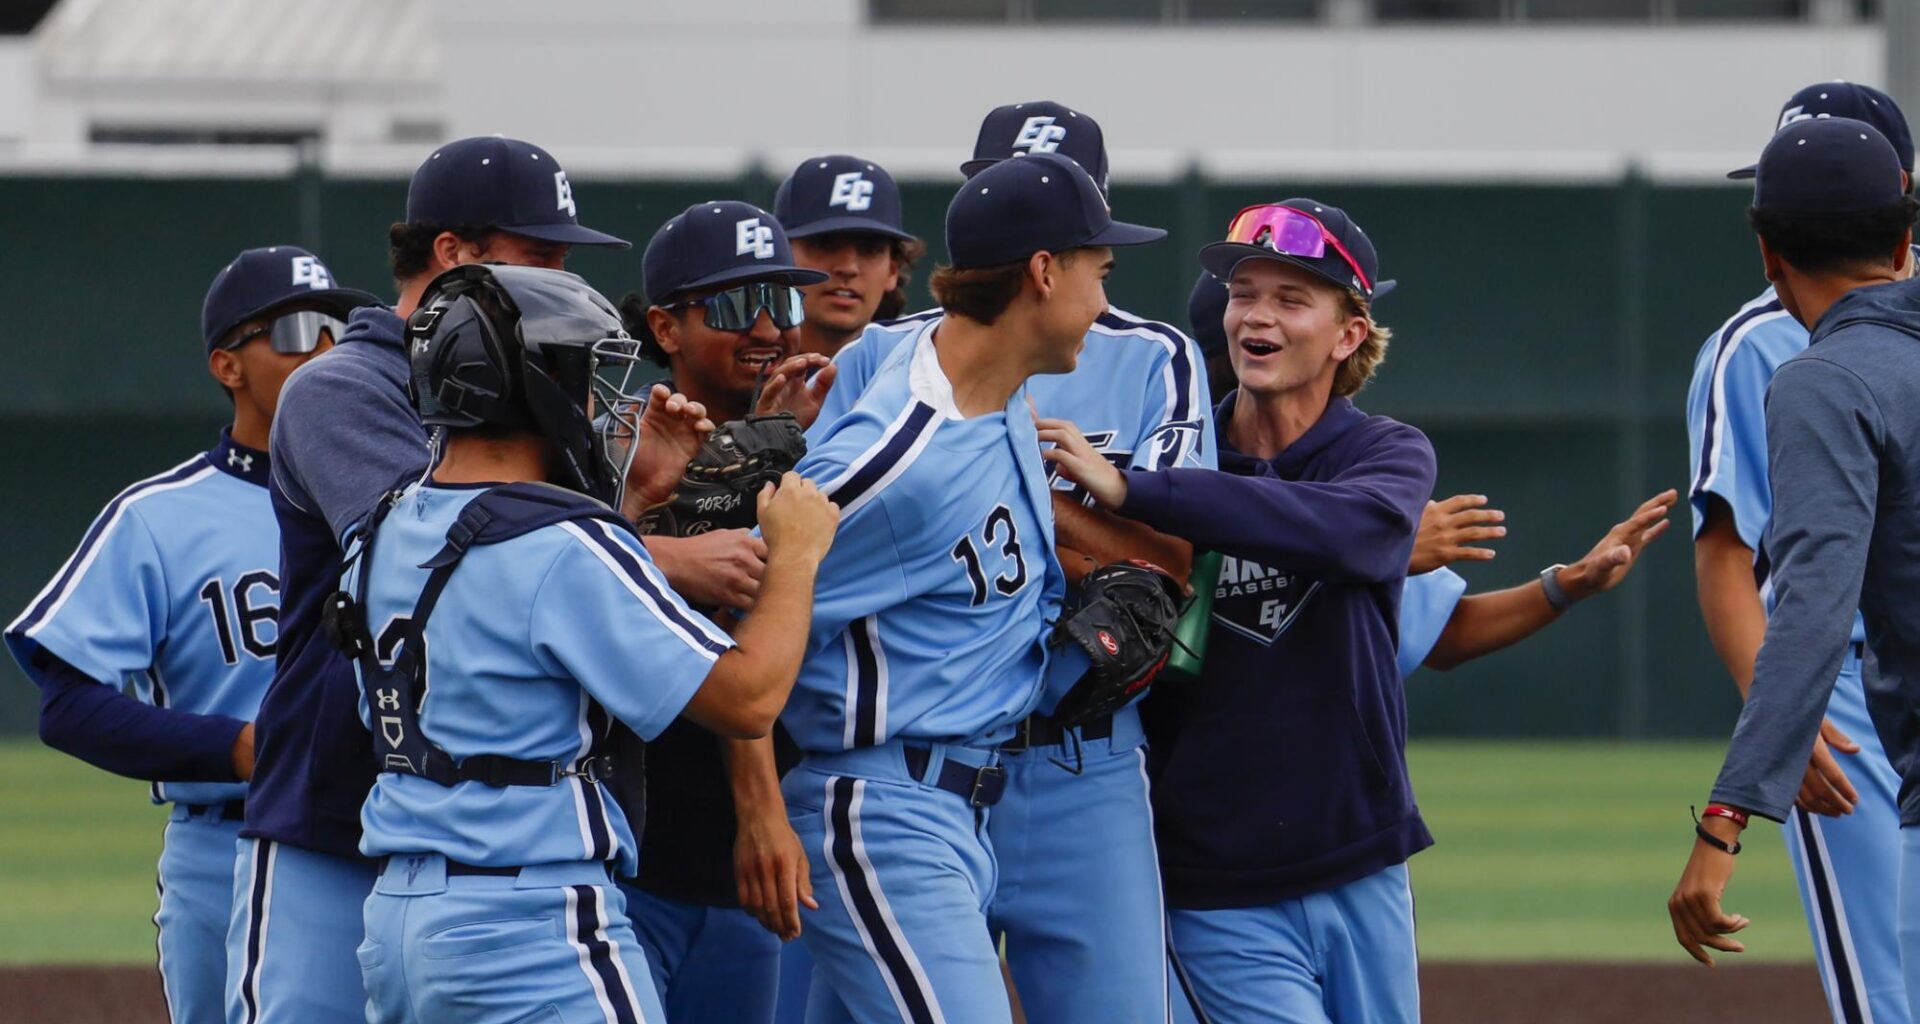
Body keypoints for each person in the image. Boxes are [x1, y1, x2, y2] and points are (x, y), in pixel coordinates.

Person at [347, 263, 840, 1024]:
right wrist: (796, 554)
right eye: (583, 374)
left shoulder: (384, 523)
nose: (597, 400)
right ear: (535, 385)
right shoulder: (563, 541)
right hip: (529, 921)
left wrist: (632, 504)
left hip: (400, 916)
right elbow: (747, 699)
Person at [806, 102, 1208, 1023]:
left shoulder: (1151, 357)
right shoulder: (886, 361)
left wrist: (1021, 488)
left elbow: (1171, 568)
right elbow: (802, 569)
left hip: (1079, 761)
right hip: (899, 764)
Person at [230, 136, 631, 1024]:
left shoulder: (528, 387)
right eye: (539, 255)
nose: (561, 278)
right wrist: (671, 550)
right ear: (453, 253)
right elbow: (453, 557)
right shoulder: (341, 384)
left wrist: (650, 494)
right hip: (330, 814)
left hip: (454, 830)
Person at [1045, 198, 1432, 1023]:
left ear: (1348, 335)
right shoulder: (1176, 448)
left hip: (1359, 852)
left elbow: (1355, 533)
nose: (1257, 315)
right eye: (1243, 293)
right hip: (1213, 878)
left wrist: (1143, 494)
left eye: (1292, 299)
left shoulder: (1383, 452)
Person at [4, 246, 373, 1024]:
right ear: (227, 365)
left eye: (338, 329)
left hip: (384, 842)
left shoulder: (397, 499)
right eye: (295, 331)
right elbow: (68, 704)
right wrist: (233, 747)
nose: (323, 349)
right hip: (225, 847)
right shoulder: (160, 516)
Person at [1670, 118, 1920, 1021]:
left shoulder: (1826, 379)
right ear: (1905, 239)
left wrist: (1725, 820)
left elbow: (1814, 600)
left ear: (1770, 257)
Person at [1193, 261, 1672, 683]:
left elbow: (1444, 635)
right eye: (1248, 298)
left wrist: (1569, 583)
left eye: (1293, 303)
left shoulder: (1365, 468)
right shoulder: (1181, 458)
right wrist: (1378, 551)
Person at [623, 199, 830, 1023]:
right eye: (737, 304)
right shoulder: (619, 446)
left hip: (747, 870)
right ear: (665, 328)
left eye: (779, 300)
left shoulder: (811, 443)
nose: (767, 328)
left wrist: (769, 448)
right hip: (633, 854)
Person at [774, 154, 926, 357]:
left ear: (892, 271)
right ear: (780, 258)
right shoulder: (739, 366)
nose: (848, 268)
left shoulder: (924, 367)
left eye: (870, 249)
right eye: (825, 243)